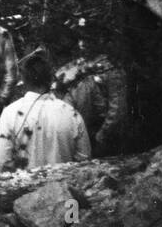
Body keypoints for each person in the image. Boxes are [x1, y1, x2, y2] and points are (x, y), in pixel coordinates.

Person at [0, 54, 91, 173]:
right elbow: (84, 160)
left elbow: (2, 163)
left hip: (25, 188)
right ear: (51, 79)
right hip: (63, 187)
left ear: (23, 80)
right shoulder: (72, 114)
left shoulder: (9, 113)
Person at [55, 18, 129, 155]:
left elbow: (117, 109)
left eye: (88, 40)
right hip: (76, 131)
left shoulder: (112, 69)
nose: (82, 44)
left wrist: (102, 135)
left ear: (99, 40)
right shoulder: (77, 65)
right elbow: (58, 85)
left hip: (99, 133)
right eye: (80, 39)